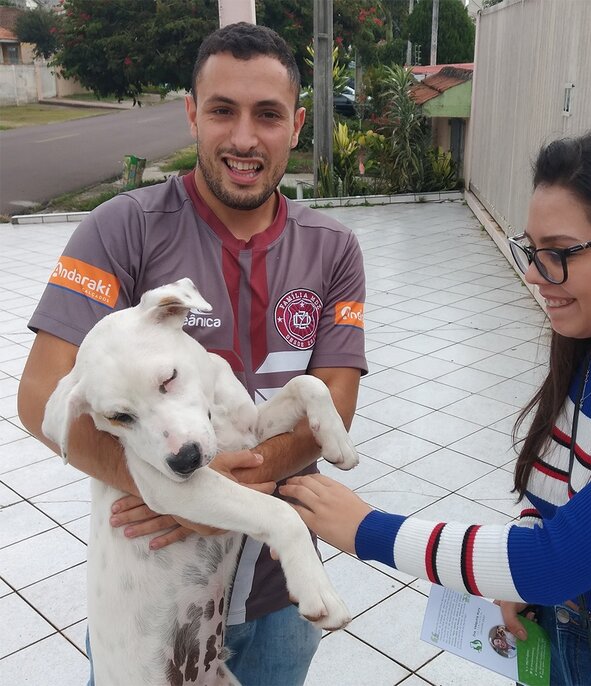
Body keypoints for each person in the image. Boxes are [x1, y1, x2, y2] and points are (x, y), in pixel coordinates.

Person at [280, 123, 591, 685]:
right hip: (570, 632)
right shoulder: (590, 355)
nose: (534, 275)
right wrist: (518, 566)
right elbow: (557, 495)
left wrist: (368, 528)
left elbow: (557, 560)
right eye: (532, 250)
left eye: (560, 254)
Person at [17, 22, 367, 686]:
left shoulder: (334, 248)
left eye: (266, 115)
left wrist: (227, 482)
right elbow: (41, 397)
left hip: (276, 596)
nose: (243, 138)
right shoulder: (121, 227)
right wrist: (165, 485)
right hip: (151, 595)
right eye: (222, 112)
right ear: (191, 115)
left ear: (296, 124)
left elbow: (336, 397)